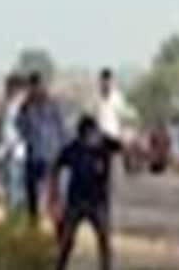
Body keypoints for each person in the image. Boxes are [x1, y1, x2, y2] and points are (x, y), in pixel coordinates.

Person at [51, 115, 122, 270]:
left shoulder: (105, 144)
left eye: (94, 133)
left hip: (98, 201)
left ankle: (106, 267)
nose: (91, 139)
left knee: (103, 239)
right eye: (88, 135)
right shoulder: (74, 148)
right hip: (76, 201)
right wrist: (55, 194)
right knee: (66, 240)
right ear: (81, 135)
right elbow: (56, 166)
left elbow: (122, 147)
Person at [16, 71, 67, 223]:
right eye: (32, 87)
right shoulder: (26, 107)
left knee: (52, 192)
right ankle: (34, 221)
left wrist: (62, 151)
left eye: (38, 86)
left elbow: (61, 128)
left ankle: (56, 222)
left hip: (51, 155)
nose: (35, 90)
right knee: (32, 192)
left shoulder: (52, 105)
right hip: (33, 155)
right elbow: (20, 127)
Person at [0, 73, 28, 216]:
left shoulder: (23, 106)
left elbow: (23, 128)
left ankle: (16, 213)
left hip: (18, 151)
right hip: (6, 151)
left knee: (16, 184)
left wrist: (14, 143)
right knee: (8, 184)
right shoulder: (6, 106)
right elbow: (1, 128)